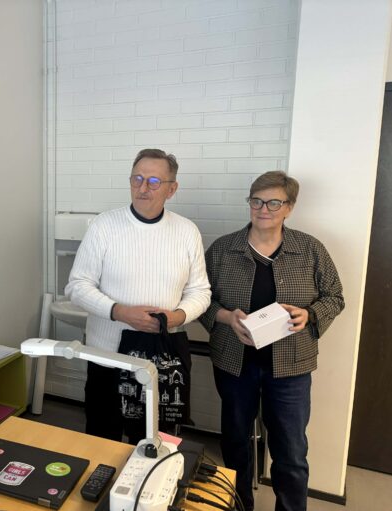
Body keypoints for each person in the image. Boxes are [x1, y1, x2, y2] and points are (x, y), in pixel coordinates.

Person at [198, 171, 345, 511]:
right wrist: (226, 317)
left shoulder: (310, 249)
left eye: (274, 203)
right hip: (235, 364)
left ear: (289, 207)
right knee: (235, 441)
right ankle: (239, 505)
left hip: (291, 366)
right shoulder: (222, 249)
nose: (263, 209)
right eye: (257, 201)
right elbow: (200, 299)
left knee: (291, 450)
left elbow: (335, 297)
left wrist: (309, 314)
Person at [65, 148, 211, 442]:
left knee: (152, 443)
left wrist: (178, 316)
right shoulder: (104, 226)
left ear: (172, 189)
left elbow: (200, 291)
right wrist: (120, 312)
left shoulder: (187, 231)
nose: (143, 188)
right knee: (101, 439)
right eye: (137, 179)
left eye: (154, 181)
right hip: (107, 357)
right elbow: (77, 286)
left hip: (160, 360)